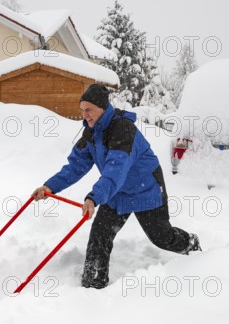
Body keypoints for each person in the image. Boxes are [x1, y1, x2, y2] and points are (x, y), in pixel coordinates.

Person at [33, 83, 201, 289]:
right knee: (100, 234)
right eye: (82, 110)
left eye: (89, 110)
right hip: (116, 190)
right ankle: (93, 283)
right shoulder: (91, 133)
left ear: (102, 108)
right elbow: (75, 166)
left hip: (144, 187)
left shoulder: (123, 129)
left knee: (161, 237)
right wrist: (50, 187)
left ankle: (190, 244)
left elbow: (115, 169)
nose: (84, 115)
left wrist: (94, 197)